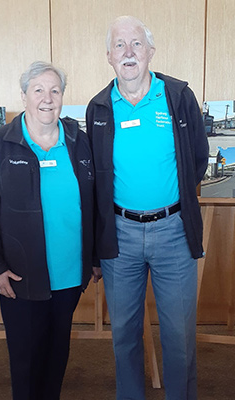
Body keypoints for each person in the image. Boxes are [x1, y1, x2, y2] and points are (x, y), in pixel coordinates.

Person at [86, 16, 209, 400]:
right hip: (120, 237)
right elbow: (95, 178)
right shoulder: (99, 107)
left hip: (173, 232)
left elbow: (198, 159)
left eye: (136, 44)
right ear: (109, 56)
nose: (128, 52)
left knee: (179, 335)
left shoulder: (177, 95)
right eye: (119, 45)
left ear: (150, 51)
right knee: (123, 333)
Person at [0, 61, 99, 400]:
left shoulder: (78, 142)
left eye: (55, 90)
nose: (47, 98)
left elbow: (96, 202)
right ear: (23, 95)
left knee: (56, 358)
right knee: (26, 362)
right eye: (38, 89)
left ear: (62, 97)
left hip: (70, 275)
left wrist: (96, 257)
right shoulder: (0, 144)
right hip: (20, 277)